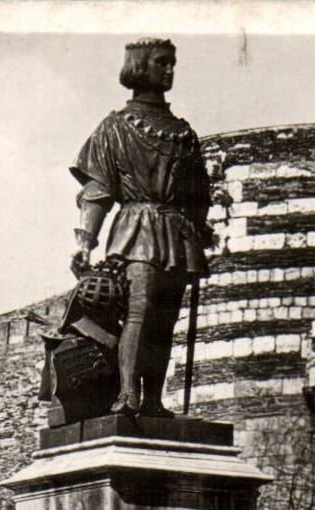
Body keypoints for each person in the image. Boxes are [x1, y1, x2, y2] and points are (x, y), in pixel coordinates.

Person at [69, 37, 213, 417]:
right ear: (139, 67)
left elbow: (199, 192)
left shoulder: (184, 132)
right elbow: (98, 190)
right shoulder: (114, 127)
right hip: (136, 227)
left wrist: (201, 228)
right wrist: (85, 240)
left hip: (177, 233)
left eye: (172, 63)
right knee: (138, 310)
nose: (169, 70)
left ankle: (153, 399)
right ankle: (128, 394)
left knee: (165, 320)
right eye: (161, 62)